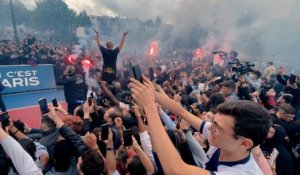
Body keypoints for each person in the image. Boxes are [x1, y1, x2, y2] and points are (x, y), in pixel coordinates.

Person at [129, 76, 272, 175]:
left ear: (245, 143)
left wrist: (149, 107)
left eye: (216, 127)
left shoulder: (241, 172)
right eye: (213, 122)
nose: (209, 128)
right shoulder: (225, 138)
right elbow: (182, 112)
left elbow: (175, 170)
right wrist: (155, 96)